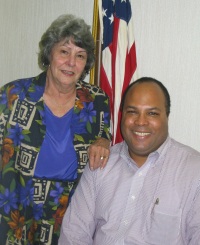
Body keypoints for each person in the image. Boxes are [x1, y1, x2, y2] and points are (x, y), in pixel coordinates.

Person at [0, 14, 111, 244]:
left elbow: (104, 137)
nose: (71, 62)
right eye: (64, 52)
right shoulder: (12, 95)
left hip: (71, 209)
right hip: (18, 205)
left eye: (80, 56)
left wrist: (105, 141)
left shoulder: (97, 100)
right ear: (49, 53)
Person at [59, 77, 200, 245]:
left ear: (167, 117)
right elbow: (74, 234)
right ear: (122, 114)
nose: (140, 122)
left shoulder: (193, 171)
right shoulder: (100, 164)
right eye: (132, 112)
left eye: (152, 113)